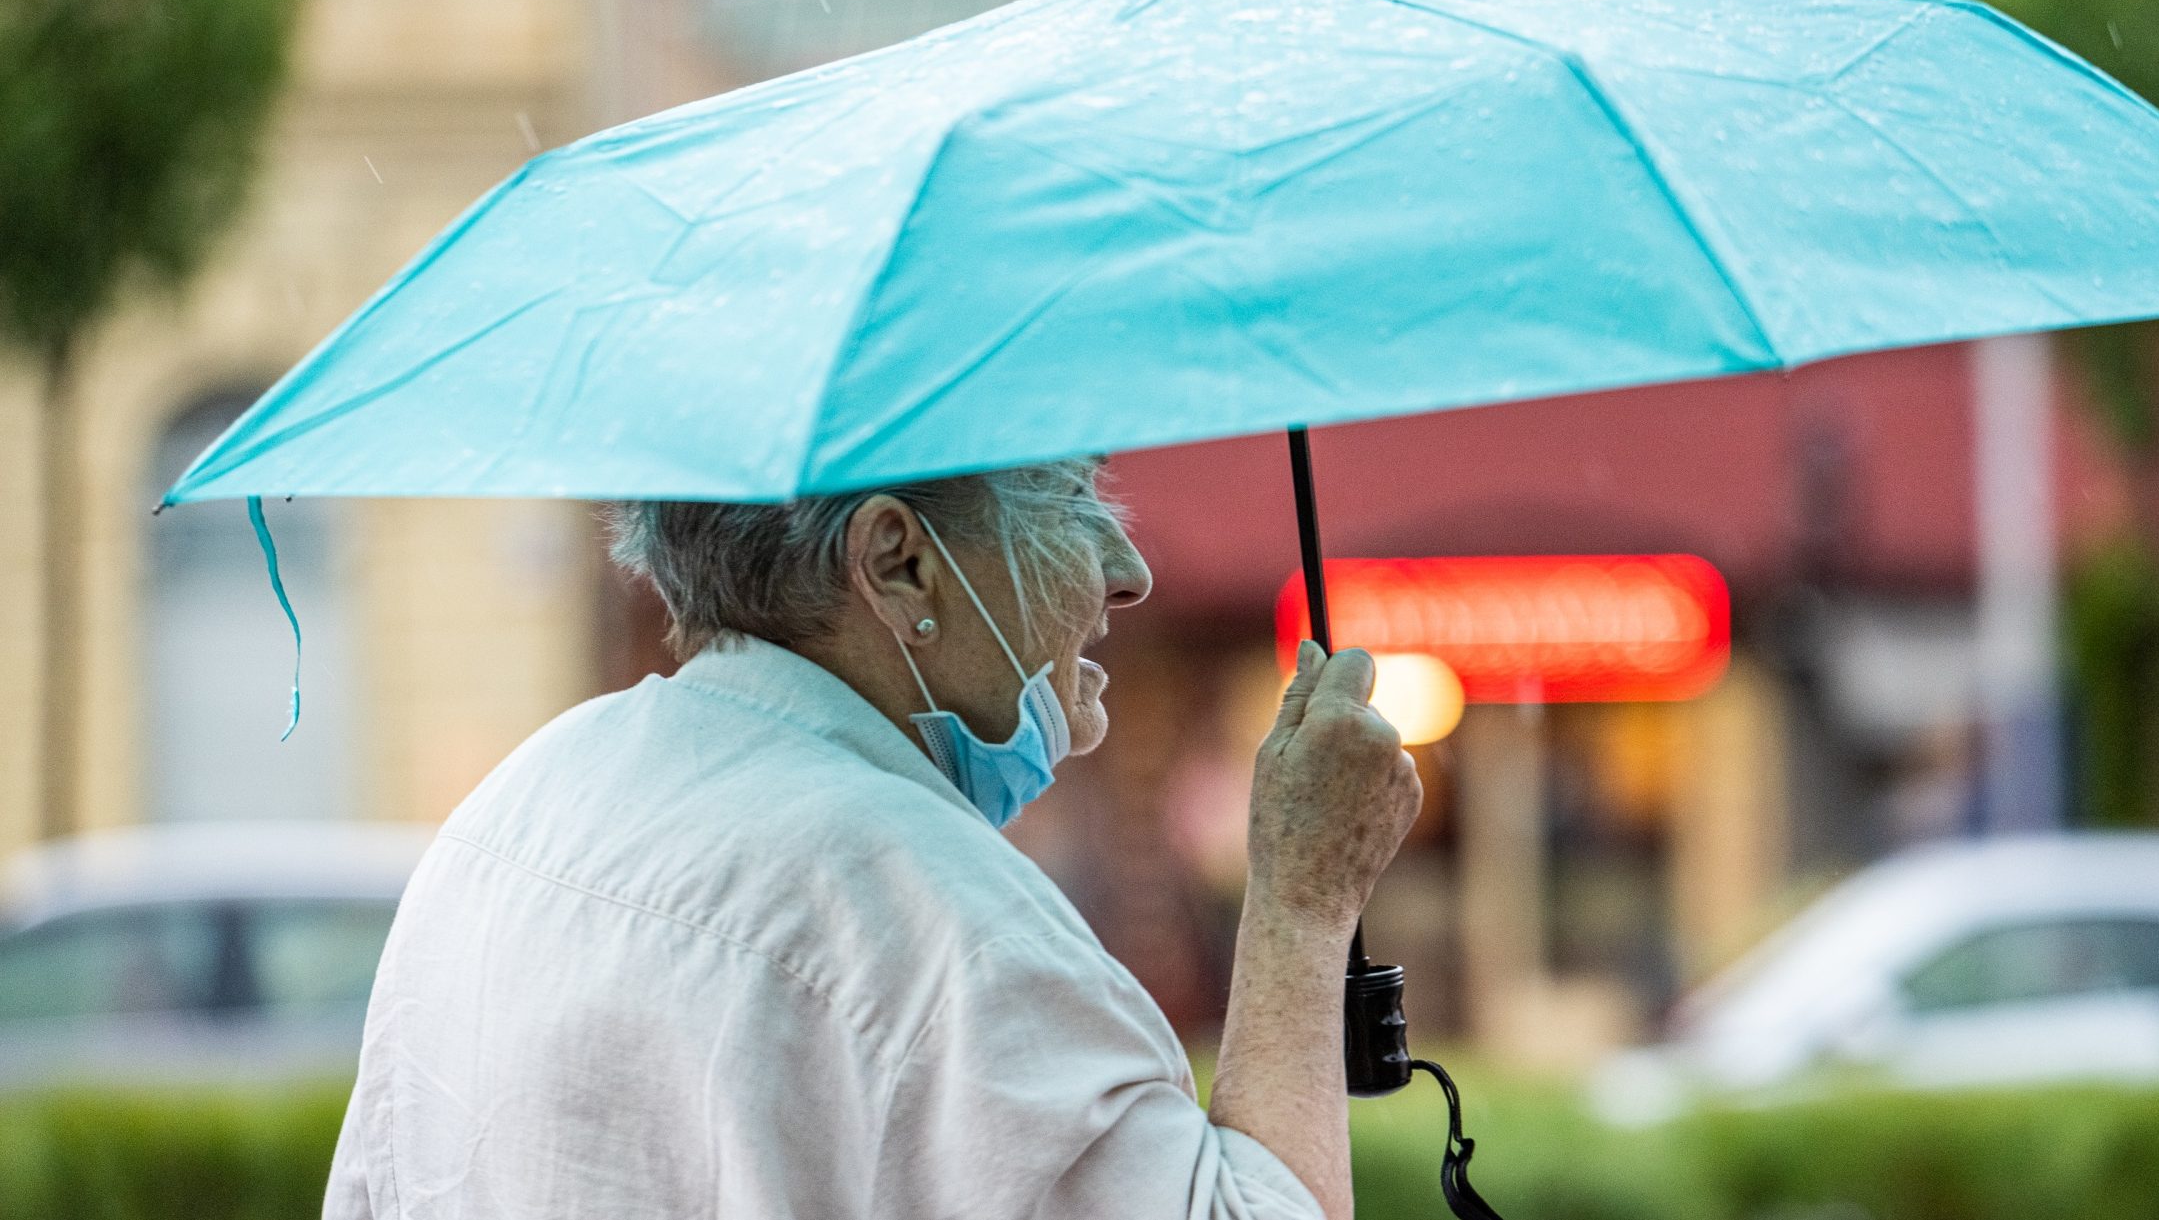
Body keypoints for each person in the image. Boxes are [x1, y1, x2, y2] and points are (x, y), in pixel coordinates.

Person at [323, 458, 1422, 1219]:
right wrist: (1302, 901)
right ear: (897, 561)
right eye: (1073, 493)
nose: (1123, 568)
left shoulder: (513, 810)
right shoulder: (938, 914)